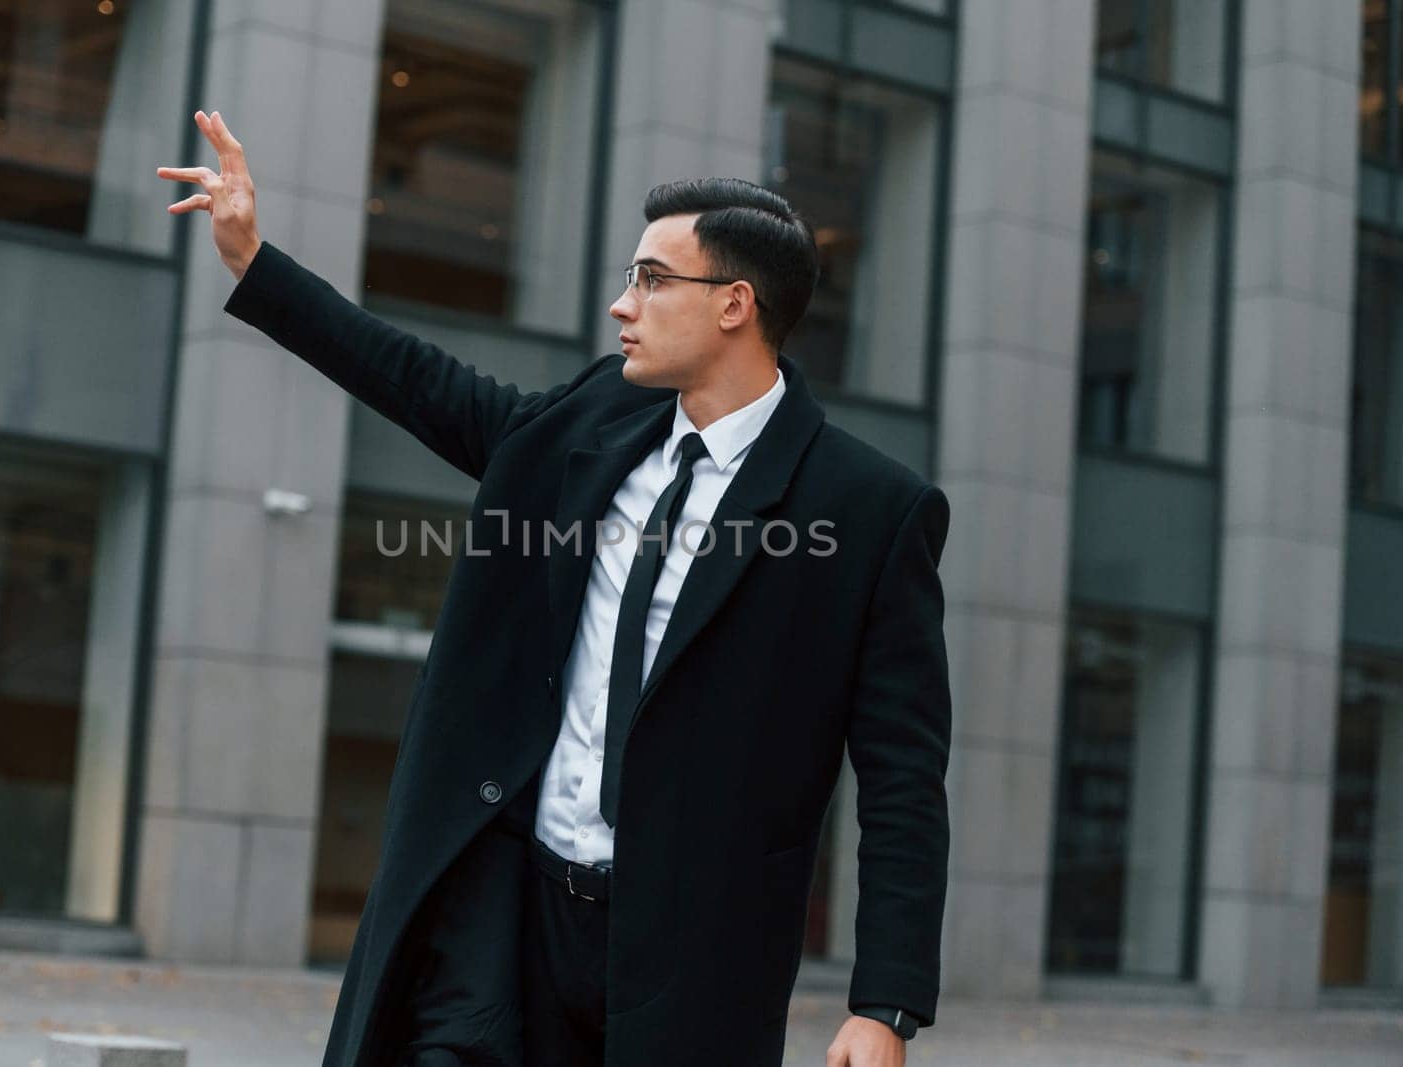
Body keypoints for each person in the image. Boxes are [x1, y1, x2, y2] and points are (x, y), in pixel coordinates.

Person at [159, 109, 952, 1067]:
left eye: (653, 281)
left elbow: (904, 779)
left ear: (736, 304)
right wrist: (256, 261)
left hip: (690, 956)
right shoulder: (596, 418)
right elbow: (430, 387)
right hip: (507, 912)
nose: (624, 304)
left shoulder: (869, 509)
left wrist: (887, 1003)